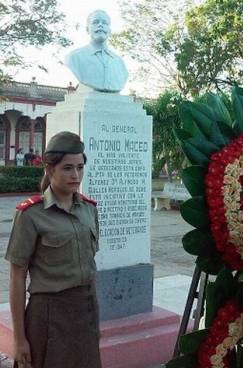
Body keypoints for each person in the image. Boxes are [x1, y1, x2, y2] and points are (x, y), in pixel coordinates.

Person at [6, 132, 101, 368]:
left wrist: (94, 321)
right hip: (48, 316)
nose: (76, 175)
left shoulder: (89, 210)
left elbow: (90, 266)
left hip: (85, 311)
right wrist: (19, 339)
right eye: (68, 168)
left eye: (80, 167)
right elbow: (16, 277)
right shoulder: (30, 215)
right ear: (50, 170)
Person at [65, 9, 128, 92]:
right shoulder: (74, 57)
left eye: (105, 23)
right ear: (87, 29)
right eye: (95, 22)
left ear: (109, 30)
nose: (100, 25)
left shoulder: (119, 63)